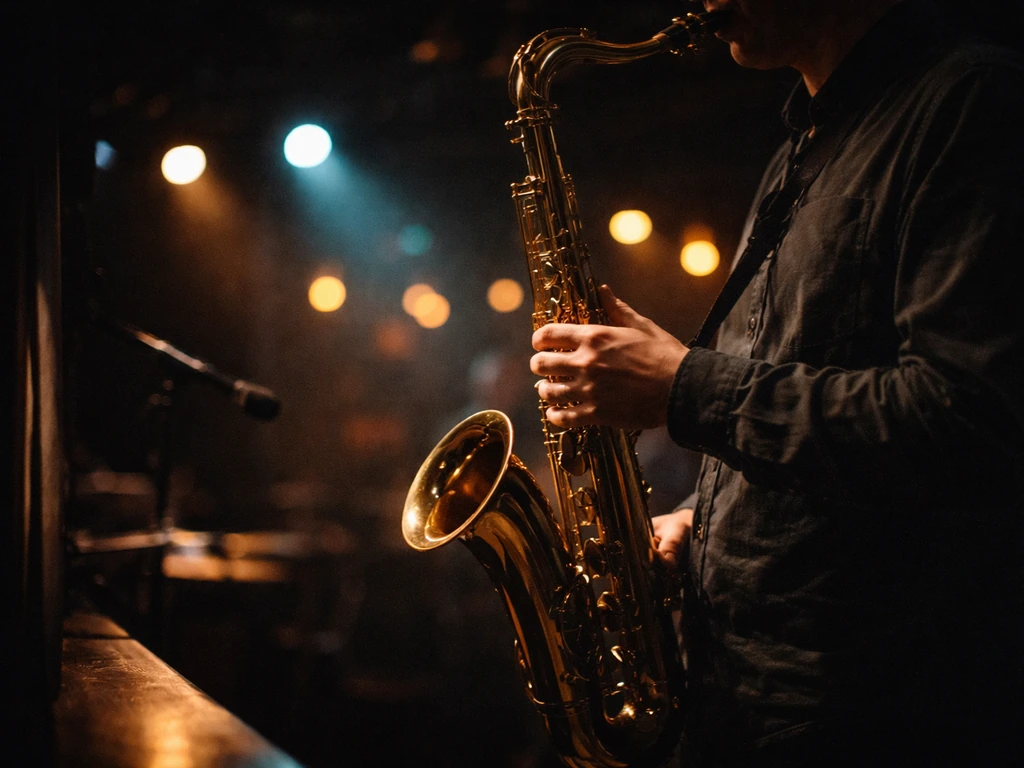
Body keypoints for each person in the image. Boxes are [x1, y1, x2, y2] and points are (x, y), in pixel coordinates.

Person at [530, 0, 1024, 765]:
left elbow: (966, 420)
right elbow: (794, 397)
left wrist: (683, 387)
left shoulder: (974, 103)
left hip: (866, 714)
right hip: (740, 698)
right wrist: (702, 523)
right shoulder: (800, 149)